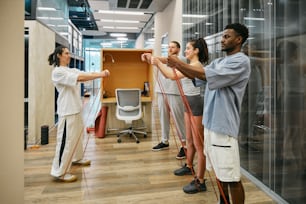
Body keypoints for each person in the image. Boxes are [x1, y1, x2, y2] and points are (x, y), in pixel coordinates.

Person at [167, 23, 250, 204]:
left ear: (239, 39)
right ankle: (223, 201)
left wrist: (179, 63)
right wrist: (177, 64)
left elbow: (204, 75)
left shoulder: (241, 61)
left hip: (224, 126)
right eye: (222, 36)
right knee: (220, 172)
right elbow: (197, 76)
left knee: (231, 177)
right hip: (211, 124)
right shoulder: (219, 62)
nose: (222, 39)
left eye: (227, 36)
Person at [150, 38, 208, 194]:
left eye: (188, 48)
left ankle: (201, 181)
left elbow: (171, 75)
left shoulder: (196, 66)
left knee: (199, 144)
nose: (186, 51)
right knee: (189, 139)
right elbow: (170, 67)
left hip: (195, 104)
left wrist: (157, 63)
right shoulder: (189, 65)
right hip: (187, 102)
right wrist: (157, 61)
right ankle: (189, 166)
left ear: (196, 51)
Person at [48, 45, 110, 182]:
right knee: (65, 141)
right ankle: (60, 171)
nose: (68, 55)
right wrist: (101, 74)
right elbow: (81, 78)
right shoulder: (57, 72)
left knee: (77, 137)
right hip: (66, 111)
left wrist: (100, 73)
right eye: (66, 53)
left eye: (68, 53)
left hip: (76, 109)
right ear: (59, 55)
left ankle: (77, 158)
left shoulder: (70, 70)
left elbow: (86, 74)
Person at [142, 41, 186, 159]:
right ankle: (164, 141)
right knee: (163, 118)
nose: (170, 49)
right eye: (169, 47)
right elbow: (158, 60)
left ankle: (185, 144)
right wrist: (147, 57)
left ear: (178, 49)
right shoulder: (164, 59)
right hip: (161, 92)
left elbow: (165, 60)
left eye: (173, 47)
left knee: (178, 119)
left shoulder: (180, 59)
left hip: (174, 92)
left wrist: (154, 58)